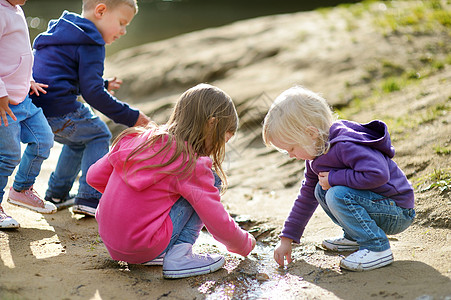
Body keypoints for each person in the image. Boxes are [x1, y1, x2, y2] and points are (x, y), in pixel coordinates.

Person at [86, 83, 257, 279]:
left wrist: (125, 201)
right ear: (211, 124)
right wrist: (243, 243)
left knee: (184, 190)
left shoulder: (137, 138)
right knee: (212, 181)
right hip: (142, 244)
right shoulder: (190, 163)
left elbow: (93, 176)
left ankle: (154, 250)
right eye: (221, 141)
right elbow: (215, 219)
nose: (218, 148)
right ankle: (179, 257)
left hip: (110, 240)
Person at [262, 86, 415, 271]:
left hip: (397, 211)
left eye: (292, 149)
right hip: (376, 206)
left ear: (311, 134)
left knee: (336, 193)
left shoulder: (345, 145)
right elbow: (306, 197)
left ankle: (377, 247)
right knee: (319, 189)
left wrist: (334, 177)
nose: (290, 156)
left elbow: (379, 174)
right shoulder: (315, 156)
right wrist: (286, 238)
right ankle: (355, 236)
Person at [30, 0, 150, 216]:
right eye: (122, 23)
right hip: (61, 109)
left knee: (78, 142)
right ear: (101, 11)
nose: (123, 31)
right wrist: (132, 117)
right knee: (98, 135)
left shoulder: (64, 28)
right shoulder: (92, 41)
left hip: (37, 107)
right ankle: (90, 197)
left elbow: (63, 71)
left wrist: (102, 83)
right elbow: (92, 94)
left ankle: (57, 194)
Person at [0, 0, 58, 229]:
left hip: (23, 98)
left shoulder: (17, 8)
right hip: (4, 103)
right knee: (8, 157)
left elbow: (16, 53)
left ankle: (21, 189)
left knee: (44, 139)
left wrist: (28, 79)